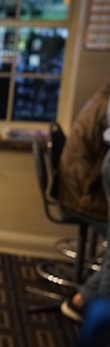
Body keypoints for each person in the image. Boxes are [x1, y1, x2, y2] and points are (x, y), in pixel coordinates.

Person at [59, 81, 110, 322]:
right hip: (82, 197)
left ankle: (83, 301)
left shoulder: (102, 97)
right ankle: (100, 318)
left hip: (78, 190)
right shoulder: (106, 106)